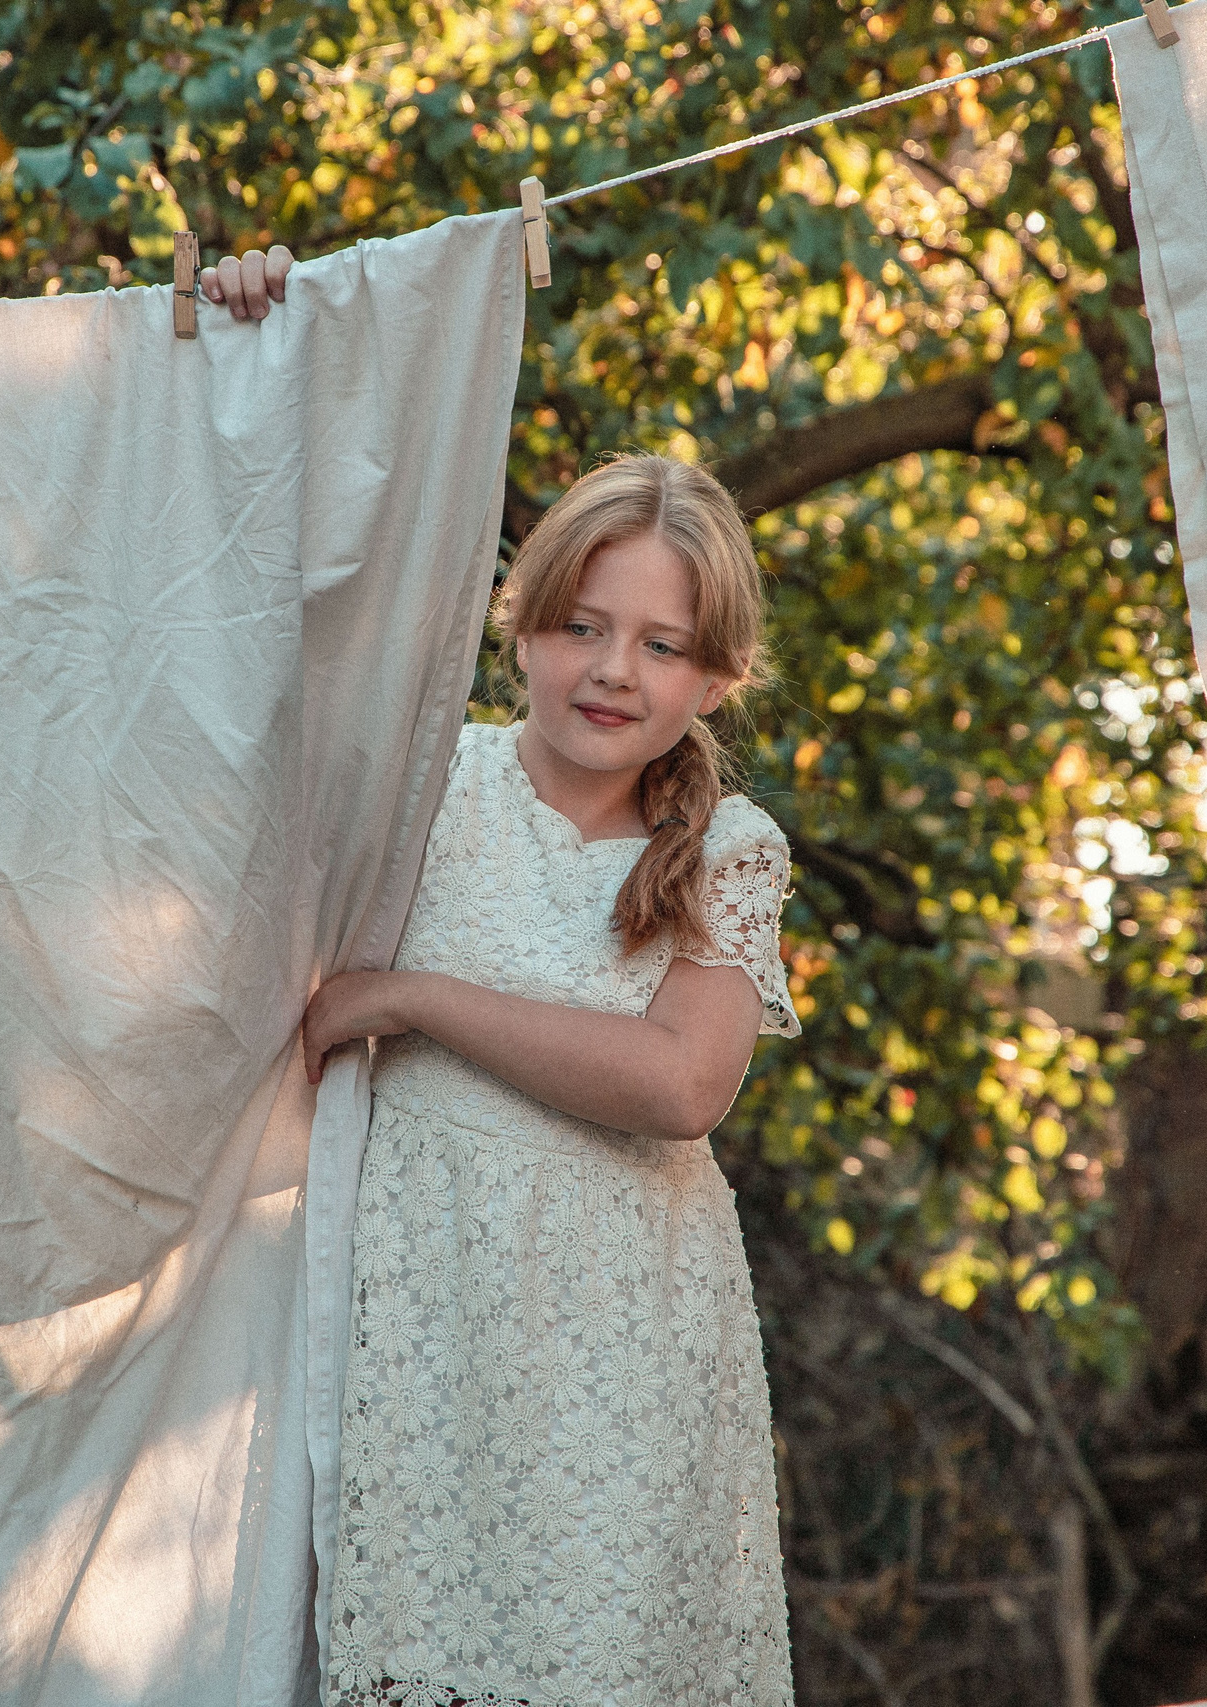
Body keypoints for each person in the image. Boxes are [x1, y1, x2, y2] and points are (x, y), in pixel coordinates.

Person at [299, 451, 801, 1707]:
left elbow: (681, 1084)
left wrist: (414, 999)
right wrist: (268, 331)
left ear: (716, 675)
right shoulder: (419, 792)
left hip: (624, 1324)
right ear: (519, 626)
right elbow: (278, 609)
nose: (614, 670)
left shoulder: (727, 852)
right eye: (581, 625)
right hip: (420, 1300)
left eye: (662, 644)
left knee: (601, 1649)